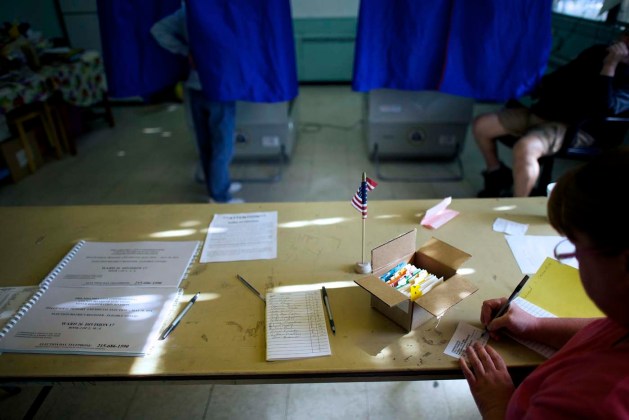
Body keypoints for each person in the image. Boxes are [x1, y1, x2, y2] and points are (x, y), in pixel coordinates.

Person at [460, 146, 629, 418]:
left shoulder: (594, 401)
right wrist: (535, 325)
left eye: (576, 248)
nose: (573, 260)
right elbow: (603, 330)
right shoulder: (623, 316)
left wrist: (498, 404)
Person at [474, 34, 629, 197]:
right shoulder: (597, 53)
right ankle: (497, 173)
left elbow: (602, 109)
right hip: (546, 111)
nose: (623, 40)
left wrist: (609, 67)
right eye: (625, 34)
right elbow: (563, 75)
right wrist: (534, 86)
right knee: (482, 125)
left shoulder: (618, 71)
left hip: (577, 126)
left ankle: (517, 204)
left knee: (526, 148)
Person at [150, 4, 243, 203]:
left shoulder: (189, 11)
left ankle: (218, 185)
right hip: (220, 87)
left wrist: (186, 51)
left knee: (206, 142)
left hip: (194, 87)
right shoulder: (225, 11)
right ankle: (220, 196)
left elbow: (158, 30)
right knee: (222, 144)